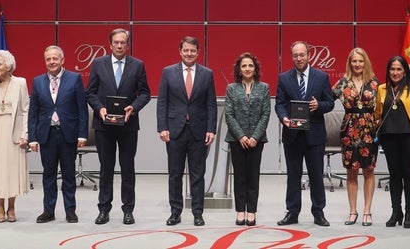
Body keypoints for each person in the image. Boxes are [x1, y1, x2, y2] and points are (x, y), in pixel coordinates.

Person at [85, 28, 150, 225]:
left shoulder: (137, 65)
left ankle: (128, 210)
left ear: (127, 45)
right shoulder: (98, 64)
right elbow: (90, 93)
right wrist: (100, 109)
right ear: (110, 44)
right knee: (106, 169)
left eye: (123, 42)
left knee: (128, 169)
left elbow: (145, 93)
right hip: (104, 126)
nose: (120, 46)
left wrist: (134, 107)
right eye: (116, 42)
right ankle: (104, 209)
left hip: (128, 125)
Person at [157, 36, 217, 227]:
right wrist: (162, 127)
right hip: (174, 131)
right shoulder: (168, 72)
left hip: (198, 131)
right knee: (175, 174)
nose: (189, 54)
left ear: (198, 52)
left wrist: (211, 129)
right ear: (180, 51)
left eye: (193, 50)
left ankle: (198, 213)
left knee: (197, 174)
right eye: (186, 50)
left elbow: (211, 104)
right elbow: (162, 102)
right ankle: (175, 213)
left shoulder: (207, 74)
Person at [275, 41, 335, 227]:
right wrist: (284, 118)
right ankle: (292, 212)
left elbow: (330, 102)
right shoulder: (284, 78)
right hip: (292, 135)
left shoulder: (321, 77)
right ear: (291, 56)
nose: (299, 58)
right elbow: (280, 104)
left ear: (308, 55)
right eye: (295, 55)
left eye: (302, 55)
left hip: (314, 135)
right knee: (293, 176)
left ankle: (318, 212)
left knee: (316, 175)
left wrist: (319, 106)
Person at [28, 46, 89, 223]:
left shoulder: (75, 78)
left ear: (62, 60)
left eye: (55, 58)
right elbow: (34, 112)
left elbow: (82, 109)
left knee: (69, 174)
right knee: (48, 174)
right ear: (45, 61)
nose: (52, 62)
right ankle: (48, 211)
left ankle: (70, 210)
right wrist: (32, 137)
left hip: (67, 133)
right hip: (46, 134)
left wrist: (82, 134)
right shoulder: (38, 81)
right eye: (48, 59)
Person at [375, 55, 410, 229]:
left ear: (404, 71)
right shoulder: (382, 89)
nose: (395, 72)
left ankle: (409, 213)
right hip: (389, 137)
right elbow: (377, 114)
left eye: (399, 69)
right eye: (392, 69)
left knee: (409, 175)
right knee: (394, 175)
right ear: (388, 71)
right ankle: (396, 211)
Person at [332, 47, 379, 226]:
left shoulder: (374, 82)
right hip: (349, 131)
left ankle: (367, 211)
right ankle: (353, 211)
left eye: (360, 61)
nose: (357, 64)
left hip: (368, 130)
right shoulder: (342, 83)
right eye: (354, 61)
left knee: (369, 170)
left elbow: (382, 106)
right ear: (349, 63)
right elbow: (327, 100)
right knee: (351, 171)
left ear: (365, 62)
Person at [0, 50, 30, 223]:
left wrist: (25, 134)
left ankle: (12, 207)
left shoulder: (21, 83)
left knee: (12, 171)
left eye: (0, 64)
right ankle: (0, 207)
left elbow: (26, 110)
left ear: (9, 65)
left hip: (14, 133)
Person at [224, 52, 271, 226]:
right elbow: (229, 115)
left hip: (256, 141)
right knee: (240, 176)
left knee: (253, 176)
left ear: (255, 68)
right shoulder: (231, 88)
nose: (247, 68)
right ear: (239, 69)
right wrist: (242, 136)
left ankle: (251, 211)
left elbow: (266, 114)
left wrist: (255, 137)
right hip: (237, 140)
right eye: (244, 65)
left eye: (250, 65)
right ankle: (240, 211)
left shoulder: (264, 87)